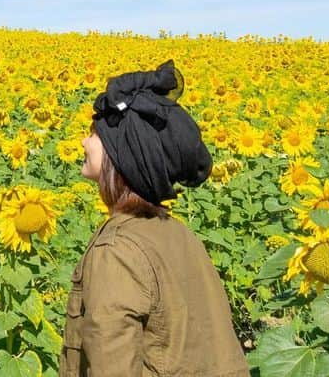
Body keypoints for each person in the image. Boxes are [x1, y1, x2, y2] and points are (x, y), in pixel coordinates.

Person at [60, 60, 250, 377]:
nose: (83, 142)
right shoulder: (177, 233)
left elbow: (111, 366)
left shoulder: (117, 250)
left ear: (123, 155)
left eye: (94, 134)